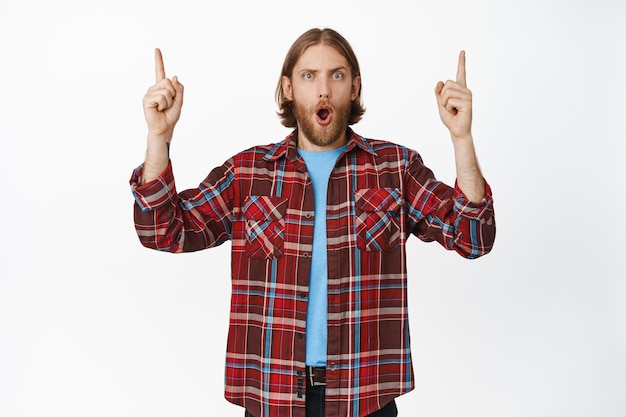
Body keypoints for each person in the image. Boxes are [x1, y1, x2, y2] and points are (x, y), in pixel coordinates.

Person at [130, 27, 495, 417]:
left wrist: (461, 138)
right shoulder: (248, 173)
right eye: (309, 76)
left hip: (365, 397)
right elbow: (163, 231)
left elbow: (473, 237)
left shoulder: (396, 169)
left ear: (354, 88)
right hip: (273, 396)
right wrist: (158, 138)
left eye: (336, 75)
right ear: (288, 88)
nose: (323, 90)